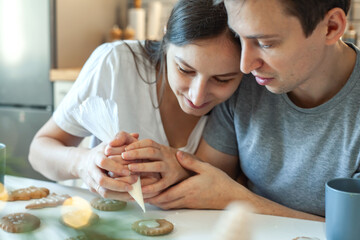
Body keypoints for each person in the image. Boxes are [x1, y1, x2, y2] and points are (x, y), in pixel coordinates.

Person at [121, 0, 358, 222]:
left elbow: (351, 230)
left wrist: (240, 199)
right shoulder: (250, 80)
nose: (244, 65)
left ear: (331, 27)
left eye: (265, 43)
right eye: (239, 37)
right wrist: (154, 169)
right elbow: (207, 181)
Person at [28, 0, 242, 200]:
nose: (197, 96)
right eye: (185, 70)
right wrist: (82, 162)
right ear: (166, 39)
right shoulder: (116, 63)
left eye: (222, 80)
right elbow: (38, 152)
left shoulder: (249, 93)